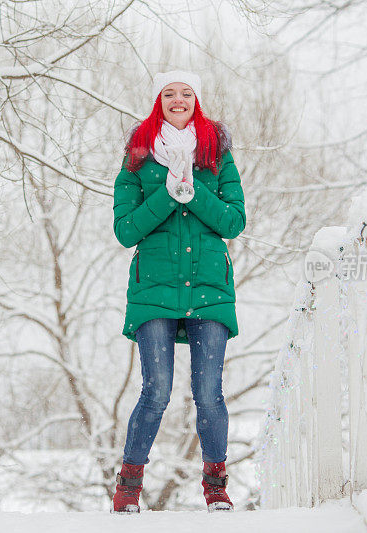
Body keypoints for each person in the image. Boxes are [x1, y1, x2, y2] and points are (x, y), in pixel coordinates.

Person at [111, 70, 246, 513]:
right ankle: (128, 487)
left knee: (209, 392)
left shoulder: (217, 156)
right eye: (169, 93)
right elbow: (126, 230)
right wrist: (168, 195)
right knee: (156, 391)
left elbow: (232, 222)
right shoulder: (137, 158)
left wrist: (193, 195)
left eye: (186, 92)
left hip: (209, 290)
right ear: (158, 103)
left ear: (197, 101)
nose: (178, 98)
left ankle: (216, 487)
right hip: (155, 291)